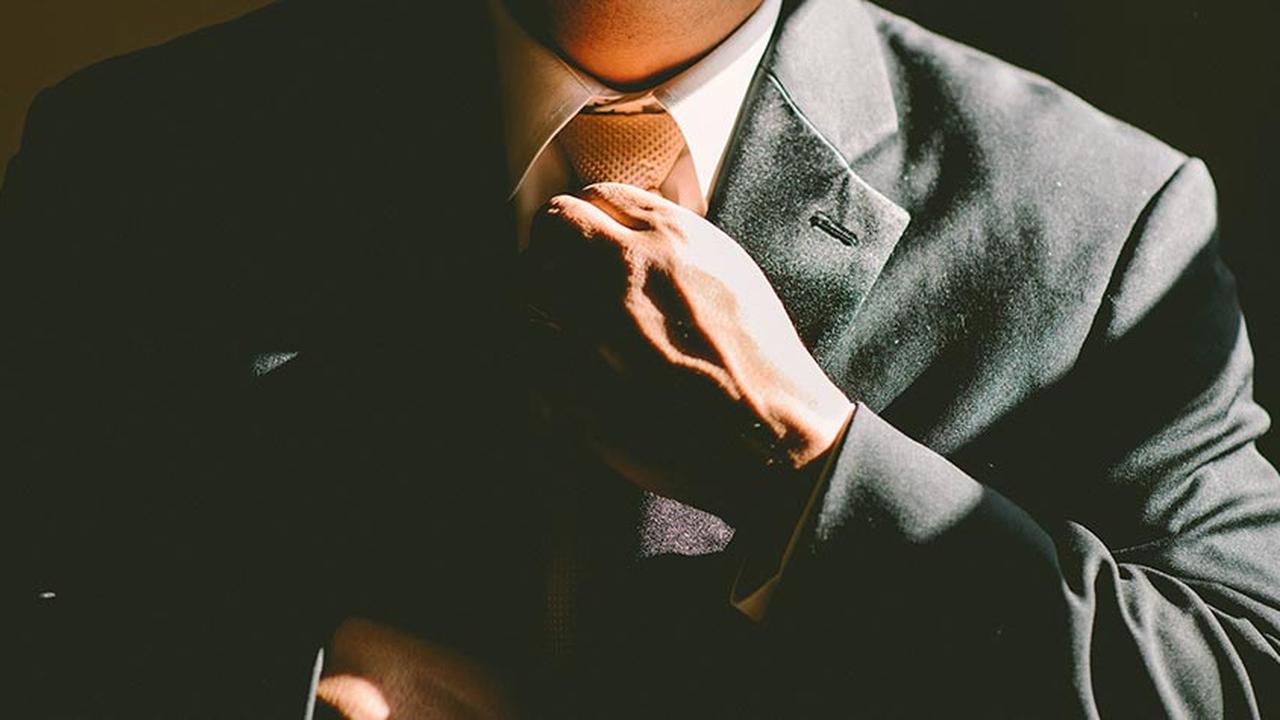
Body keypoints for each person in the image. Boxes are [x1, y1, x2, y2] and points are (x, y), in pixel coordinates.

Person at [5, 0, 1279, 717]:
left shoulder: (1100, 216)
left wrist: (810, 459)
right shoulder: (143, 155)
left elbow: (1238, 673)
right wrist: (268, 690)